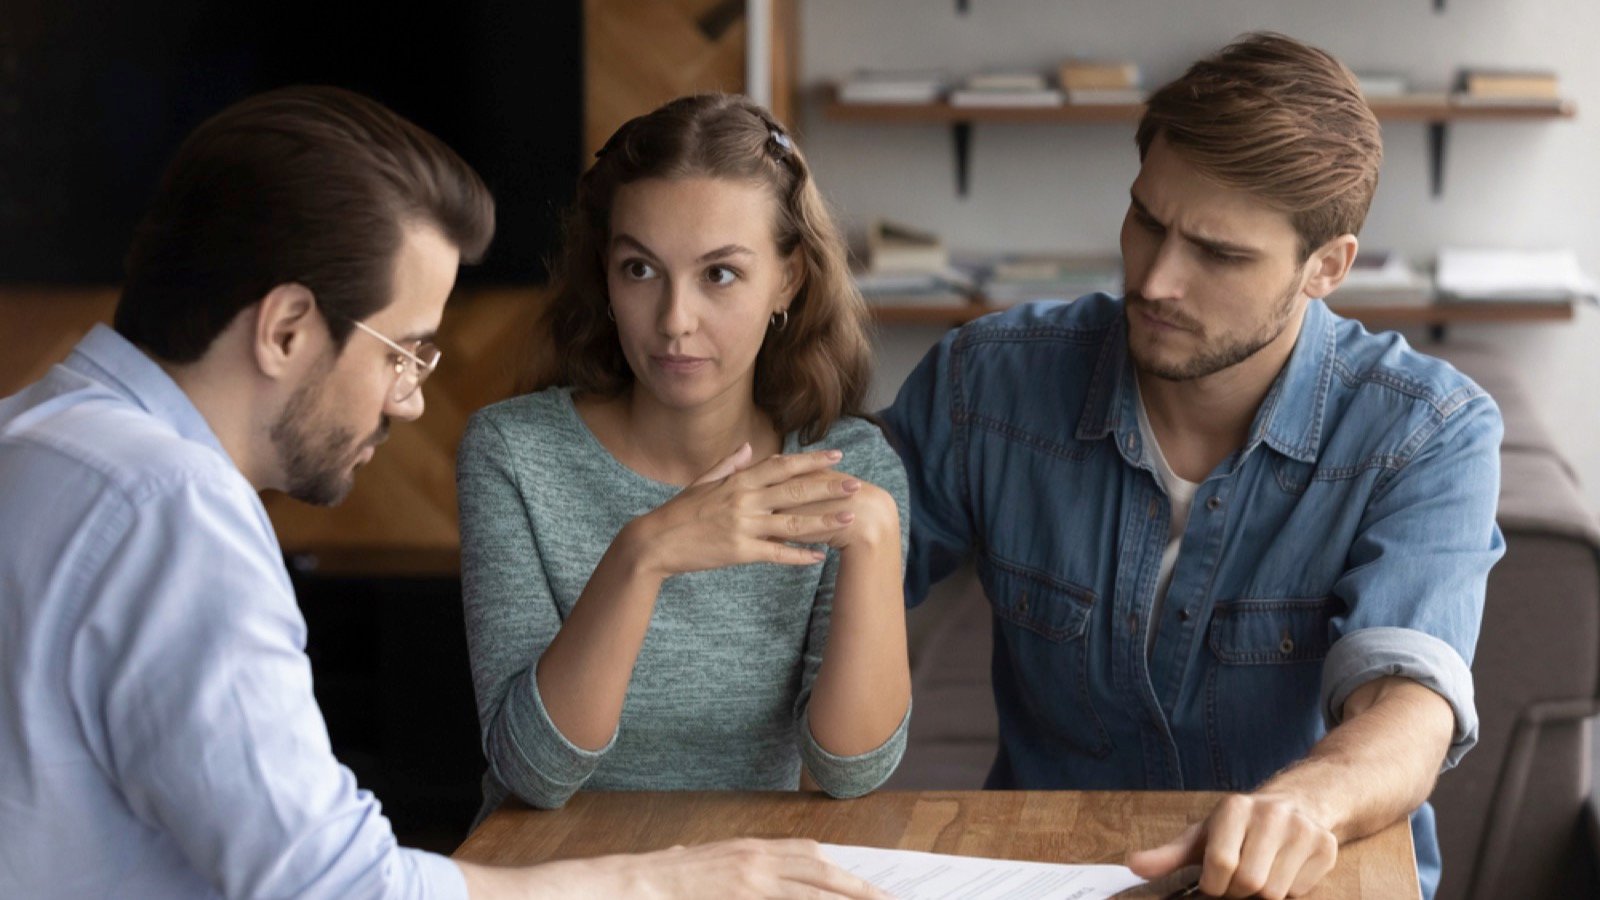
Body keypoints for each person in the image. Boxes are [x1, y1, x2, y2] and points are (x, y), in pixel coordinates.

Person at [0, 85, 885, 900]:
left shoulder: (34, 435)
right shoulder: (172, 513)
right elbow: (341, 887)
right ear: (287, 329)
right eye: (404, 350)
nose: (412, 396)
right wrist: (660, 882)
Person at [882, 33, 1501, 900]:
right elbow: (814, 594)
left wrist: (1306, 805)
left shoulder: (1427, 430)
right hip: (1044, 872)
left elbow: (1410, 698)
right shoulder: (987, 382)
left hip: (1305, 880)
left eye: (1218, 253)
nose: (1158, 280)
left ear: (1326, 267)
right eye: (1147, 221)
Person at [456, 93, 911, 819]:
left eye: (719, 274)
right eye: (640, 270)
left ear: (787, 280)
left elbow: (849, 773)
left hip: (746, 876)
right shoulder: (513, 453)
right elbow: (533, 775)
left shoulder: (848, 472)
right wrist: (647, 551)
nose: (674, 321)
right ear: (605, 273)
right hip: (554, 875)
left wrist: (878, 538)